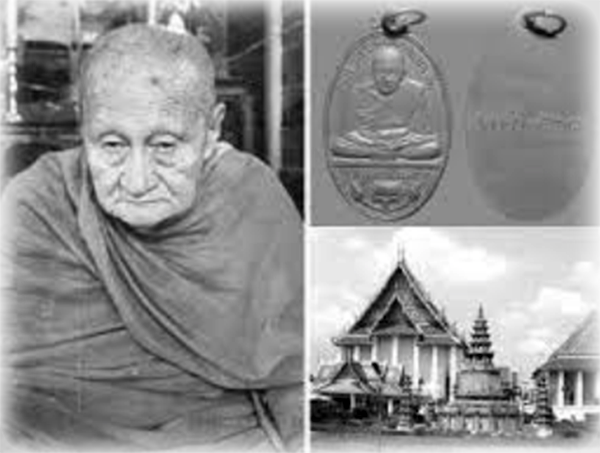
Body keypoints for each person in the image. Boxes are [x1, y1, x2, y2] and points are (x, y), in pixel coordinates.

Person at [1, 24, 303, 451]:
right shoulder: (38, 203)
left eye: (164, 145)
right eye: (111, 145)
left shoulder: (248, 198)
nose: (138, 181)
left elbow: (295, 376)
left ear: (213, 128)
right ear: (81, 128)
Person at [331, 45, 440, 160]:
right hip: (368, 140)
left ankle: (388, 154)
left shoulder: (417, 91)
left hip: (404, 139)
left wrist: (404, 141)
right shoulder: (360, 91)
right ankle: (377, 152)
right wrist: (370, 144)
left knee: (434, 147)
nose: (386, 78)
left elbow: (424, 131)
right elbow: (348, 131)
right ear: (372, 72)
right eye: (380, 71)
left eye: (392, 72)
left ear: (403, 73)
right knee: (339, 144)